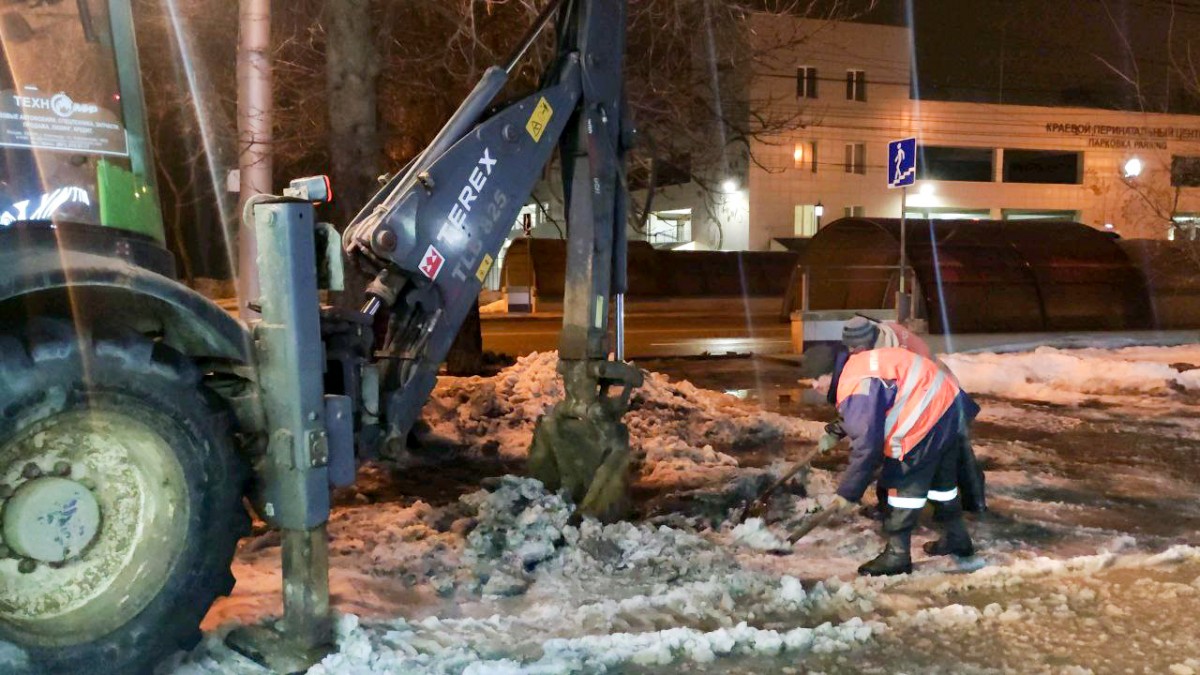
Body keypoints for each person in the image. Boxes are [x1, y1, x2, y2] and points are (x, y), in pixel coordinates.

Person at [822, 340, 976, 576]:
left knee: (902, 486)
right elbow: (876, 404)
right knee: (942, 485)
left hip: (925, 417)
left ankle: (897, 555)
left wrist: (848, 493)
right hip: (951, 408)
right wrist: (840, 427)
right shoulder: (860, 365)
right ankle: (957, 537)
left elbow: (868, 448)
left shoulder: (854, 384)